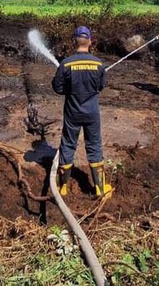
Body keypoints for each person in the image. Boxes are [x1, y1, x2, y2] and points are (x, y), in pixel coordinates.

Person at [52, 26, 113, 198]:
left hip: (72, 112)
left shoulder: (66, 64)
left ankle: (62, 186)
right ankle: (100, 188)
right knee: (94, 146)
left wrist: (70, 90)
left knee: (68, 144)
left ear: (74, 41)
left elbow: (57, 87)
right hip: (92, 112)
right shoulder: (99, 64)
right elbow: (101, 86)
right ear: (90, 42)